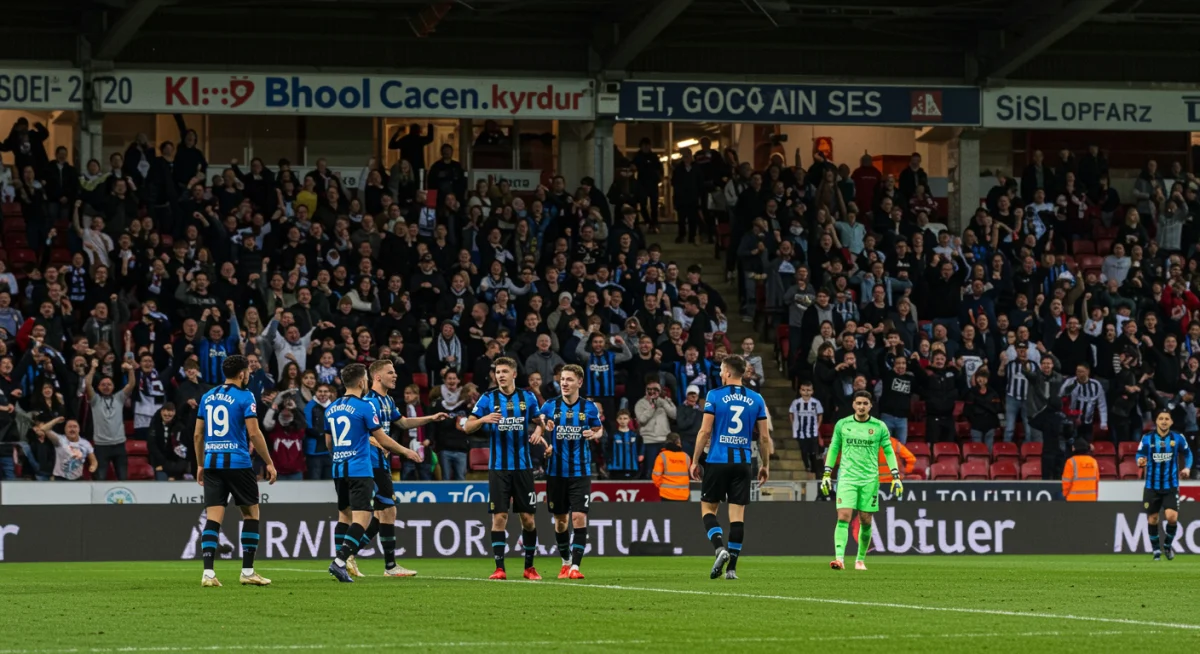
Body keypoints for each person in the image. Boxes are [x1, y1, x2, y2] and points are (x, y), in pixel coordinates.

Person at [325, 363, 421, 583]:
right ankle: (341, 561)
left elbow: (328, 443)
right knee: (364, 517)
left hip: (339, 467)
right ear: (362, 382)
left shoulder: (331, 408)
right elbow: (383, 438)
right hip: (360, 468)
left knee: (344, 515)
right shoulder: (365, 407)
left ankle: (343, 560)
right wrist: (406, 451)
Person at [193, 355, 278, 588]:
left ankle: (208, 574)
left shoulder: (207, 396)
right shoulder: (246, 396)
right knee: (251, 515)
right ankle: (248, 571)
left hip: (211, 464)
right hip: (238, 464)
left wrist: (200, 464)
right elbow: (254, 433)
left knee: (213, 519)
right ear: (242, 373)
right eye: (248, 371)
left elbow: (198, 435)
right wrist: (268, 462)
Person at [363, 359, 448, 577]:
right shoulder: (368, 402)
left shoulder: (388, 400)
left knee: (384, 512)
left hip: (382, 462)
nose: (395, 375)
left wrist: (431, 418)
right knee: (388, 510)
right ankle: (387, 566)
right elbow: (363, 433)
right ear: (378, 377)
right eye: (390, 372)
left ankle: (348, 555)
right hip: (370, 462)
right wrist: (403, 450)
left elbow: (403, 423)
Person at [464, 357, 548, 581]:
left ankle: (529, 567)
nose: (500, 375)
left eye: (504, 371)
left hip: (523, 468)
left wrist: (539, 429)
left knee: (528, 519)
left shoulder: (527, 397)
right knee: (499, 517)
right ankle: (499, 568)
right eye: (497, 372)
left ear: (513, 374)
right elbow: (467, 426)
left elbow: (542, 421)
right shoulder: (488, 398)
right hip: (498, 469)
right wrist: (483, 419)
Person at [689, 355, 769, 580]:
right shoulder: (757, 399)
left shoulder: (714, 395)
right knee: (737, 517)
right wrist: (765, 465)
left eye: (722, 371)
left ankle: (719, 548)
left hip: (717, 460)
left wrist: (695, 460)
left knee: (708, 510)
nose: (720, 375)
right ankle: (732, 569)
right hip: (743, 462)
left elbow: (704, 432)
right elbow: (764, 437)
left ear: (728, 372)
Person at [820, 390, 901, 571]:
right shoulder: (843, 424)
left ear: (870, 405)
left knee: (865, 520)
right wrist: (826, 474)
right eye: (859, 403)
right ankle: (839, 559)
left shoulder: (879, 427)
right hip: (847, 478)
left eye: (865, 403)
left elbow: (889, 451)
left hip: (870, 480)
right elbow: (833, 448)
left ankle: (860, 559)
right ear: (853, 405)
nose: (862, 406)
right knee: (843, 516)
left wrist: (896, 476)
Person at [540, 364, 603, 580]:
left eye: (569, 379)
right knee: (560, 521)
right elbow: (539, 424)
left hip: (580, 471)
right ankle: (565, 560)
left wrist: (594, 435)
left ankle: (575, 566)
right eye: (562, 379)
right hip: (556, 472)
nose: (564, 383)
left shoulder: (589, 408)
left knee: (578, 517)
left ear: (579, 382)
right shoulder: (549, 406)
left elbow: (599, 429)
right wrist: (543, 430)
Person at [1137, 409, 1193, 561]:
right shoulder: (1147, 438)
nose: (1163, 421)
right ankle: (1156, 550)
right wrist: (1140, 461)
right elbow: (1140, 454)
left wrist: (1187, 467)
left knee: (1172, 517)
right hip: (1151, 486)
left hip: (1170, 486)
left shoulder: (1178, 438)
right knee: (1153, 519)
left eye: (1166, 419)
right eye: (1160, 418)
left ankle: (1167, 545)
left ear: (1171, 422)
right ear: (1156, 421)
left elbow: (1188, 453)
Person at [789, 381, 823, 474]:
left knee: (813, 451)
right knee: (803, 450)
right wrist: (794, 425)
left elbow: (820, 415)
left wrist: (817, 426)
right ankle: (807, 466)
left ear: (812, 391)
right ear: (800, 391)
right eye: (804, 390)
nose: (806, 392)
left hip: (812, 431)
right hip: (800, 432)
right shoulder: (796, 403)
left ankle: (813, 468)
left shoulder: (816, 403)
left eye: (808, 390)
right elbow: (791, 414)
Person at [651, 432, 690, 501]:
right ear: (678, 442)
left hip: (666, 494)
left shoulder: (662, 456)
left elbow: (656, 476)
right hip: (683, 495)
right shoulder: (686, 457)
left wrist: (662, 487)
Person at [606, 409, 642, 479]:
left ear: (629, 419)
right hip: (615, 469)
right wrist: (609, 462)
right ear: (617, 420)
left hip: (632, 468)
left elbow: (640, 448)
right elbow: (607, 450)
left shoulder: (635, 435)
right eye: (620, 418)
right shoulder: (613, 435)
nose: (622, 421)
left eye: (625, 418)